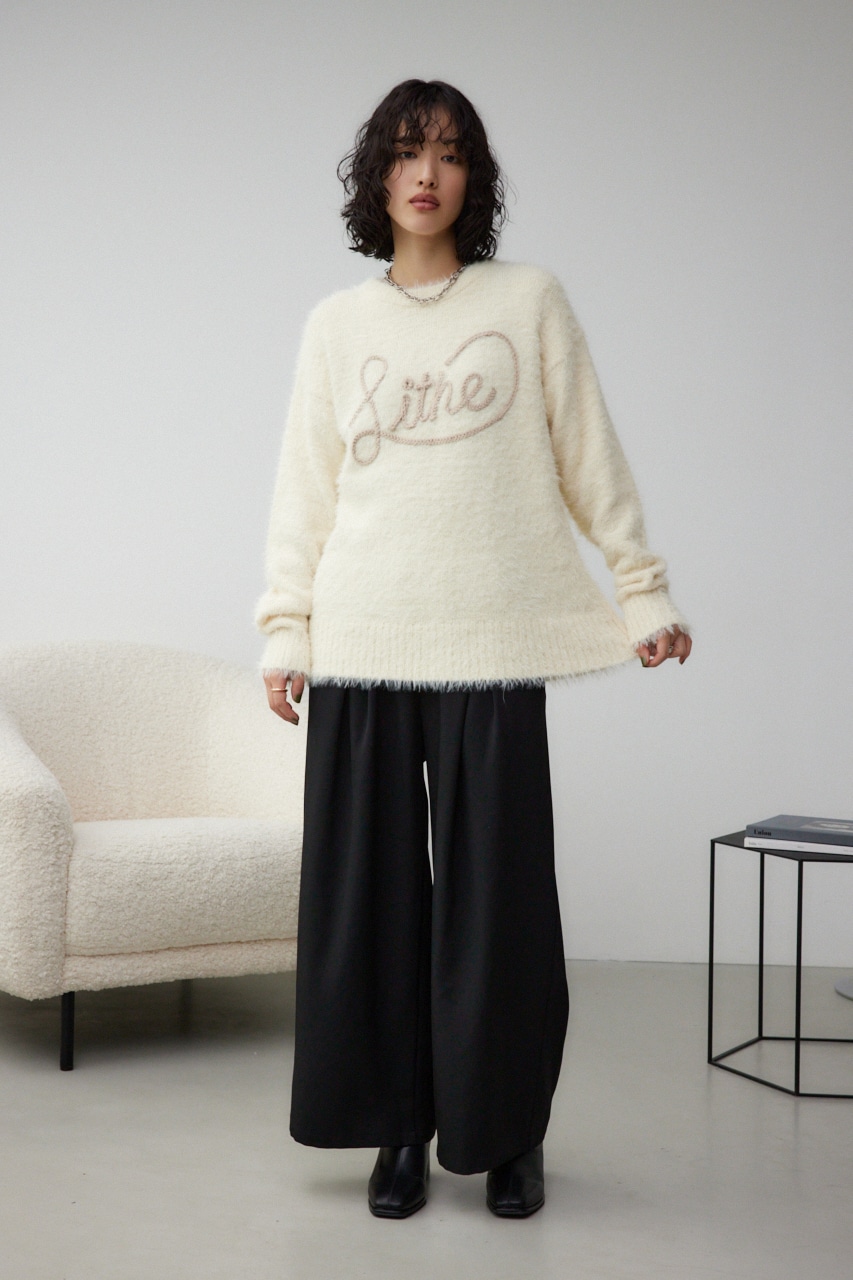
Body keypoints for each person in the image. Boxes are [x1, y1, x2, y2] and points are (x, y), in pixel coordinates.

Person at [254, 78, 691, 1221]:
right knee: (369, 906)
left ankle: (505, 1133)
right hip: (362, 646)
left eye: (449, 153)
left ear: (473, 178)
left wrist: (640, 592)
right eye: (407, 150)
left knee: (500, 909)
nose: (427, 172)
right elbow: (305, 491)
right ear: (377, 175)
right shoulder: (335, 326)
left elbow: (589, 455)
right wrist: (286, 628)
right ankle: (396, 1126)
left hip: (490, 644)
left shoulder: (528, 300)